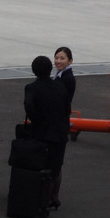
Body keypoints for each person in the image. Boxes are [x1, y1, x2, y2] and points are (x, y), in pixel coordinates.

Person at [24, 54, 72, 209]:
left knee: (41, 164)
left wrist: (37, 120)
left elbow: (29, 106)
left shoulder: (31, 88)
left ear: (34, 71)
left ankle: (40, 198)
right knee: (56, 167)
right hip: (59, 132)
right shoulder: (60, 86)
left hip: (42, 132)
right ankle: (53, 197)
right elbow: (67, 109)